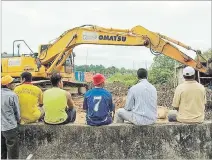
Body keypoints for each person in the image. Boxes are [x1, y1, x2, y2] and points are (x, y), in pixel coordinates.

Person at [1, 75, 21, 159]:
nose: (14, 84)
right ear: (8, 85)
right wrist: (18, 120)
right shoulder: (12, 95)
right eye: (13, 83)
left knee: (2, 151)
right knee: (13, 151)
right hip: (10, 127)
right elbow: (17, 112)